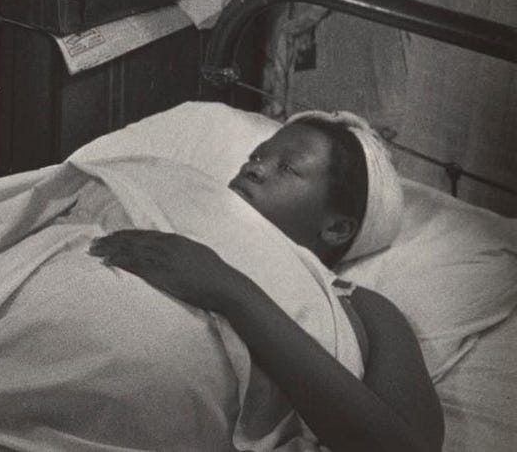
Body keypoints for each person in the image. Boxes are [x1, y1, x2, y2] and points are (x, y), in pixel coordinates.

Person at [89, 112, 443, 452]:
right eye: (257, 156)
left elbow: (408, 447)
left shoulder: (359, 305)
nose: (253, 168)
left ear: (336, 228)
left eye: (287, 167)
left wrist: (228, 289)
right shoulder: (177, 197)